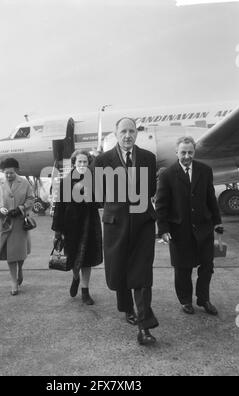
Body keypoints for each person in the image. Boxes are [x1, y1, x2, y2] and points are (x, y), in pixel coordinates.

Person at [94, 117, 159, 345]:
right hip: (116, 224)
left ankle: (144, 327)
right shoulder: (102, 161)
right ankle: (125, 307)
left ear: (137, 134)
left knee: (142, 275)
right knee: (119, 270)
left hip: (143, 224)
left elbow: (150, 188)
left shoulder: (149, 159)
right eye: (124, 131)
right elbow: (99, 193)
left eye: (132, 131)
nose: (128, 135)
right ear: (116, 133)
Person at [155, 136, 223, 315]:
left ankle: (204, 299)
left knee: (207, 266)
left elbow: (210, 198)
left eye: (190, 152)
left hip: (204, 228)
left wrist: (217, 222)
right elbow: (161, 204)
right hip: (179, 230)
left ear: (194, 152)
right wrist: (163, 229)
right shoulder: (167, 174)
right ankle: (185, 301)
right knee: (183, 268)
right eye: (183, 152)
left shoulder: (205, 170)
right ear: (176, 152)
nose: (187, 156)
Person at [52, 150, 103, 305]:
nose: (82, 165)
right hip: (71, 226)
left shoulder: (94, 181)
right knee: (74, 258)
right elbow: (59, 207)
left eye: (85, 162)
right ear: (74, 163)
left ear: (89, 163)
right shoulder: (66, 182)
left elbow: (100, 202)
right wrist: (57, 231)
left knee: (87, 260)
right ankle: (75, 277)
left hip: (89, 226)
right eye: (79, 162)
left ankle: (85, 291)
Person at [0, 158, 35, 295]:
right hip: (5, 223)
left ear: (16, 171)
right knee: (9, 254)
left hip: (20, 223)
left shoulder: (25, 182)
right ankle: (14, 282)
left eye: (11, 173)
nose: (9, 175)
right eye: (6, 173)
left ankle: (20, 269)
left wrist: (21, 208)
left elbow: (31, 199)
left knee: (20, 253)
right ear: (2, 172)